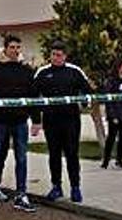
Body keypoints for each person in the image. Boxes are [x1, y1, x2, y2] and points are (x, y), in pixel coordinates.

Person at [0, 36, 38, 213]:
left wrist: (37, 121)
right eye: (12, 47)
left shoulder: (26, 71)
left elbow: (32, 97)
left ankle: (21, 195)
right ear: (5, 49)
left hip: (20, 122)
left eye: (18, 47)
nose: (15, 50)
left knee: (22, 159)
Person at [32, 41, 93, 203]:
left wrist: (85, 101)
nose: (56, 58)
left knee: (72, 153)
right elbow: (33, 97)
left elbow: (88, 90)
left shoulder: (74, 71)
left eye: (59, 55)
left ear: (65, 56)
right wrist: (36, 121)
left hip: (71, 120)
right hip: (51, 121)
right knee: (54, 155)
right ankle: (56, 186)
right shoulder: (42, 72)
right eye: (53, 54)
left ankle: (75, 187)